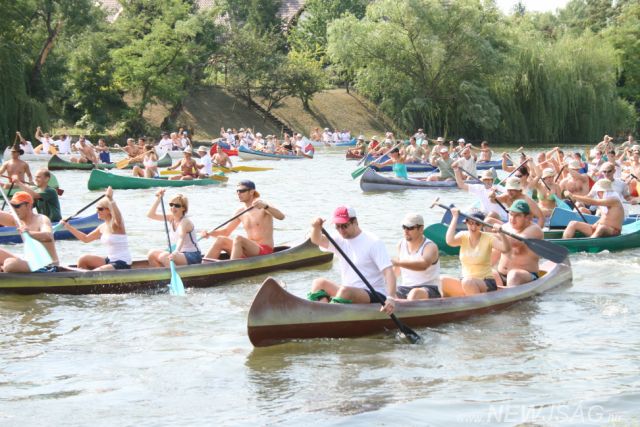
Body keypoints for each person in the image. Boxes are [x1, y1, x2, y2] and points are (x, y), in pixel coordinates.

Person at [306, 206, 396, 314]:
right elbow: (316, 240)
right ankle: (323, 314)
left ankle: (328, 314)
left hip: (375, 293)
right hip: (348, 291)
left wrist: (391, 298)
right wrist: (316, 227)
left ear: (355, 222)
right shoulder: (339, 240)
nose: (341, 230)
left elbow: (388, 271)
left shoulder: (373, 242)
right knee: (318, 283)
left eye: (344, 226)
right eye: (337, 226)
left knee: (345, 291)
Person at [201, 180, 284, 259]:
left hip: (264, 250)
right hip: (248, 250)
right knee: (221, 239)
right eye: (237, 191)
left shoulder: (264, 206)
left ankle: (232, 265)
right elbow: (226, 232)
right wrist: (209, 233)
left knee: (238, 238)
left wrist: (266, 206)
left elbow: (281, 217)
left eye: (242, 191)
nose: (238, 193)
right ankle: (204, 265)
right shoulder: (240, 211)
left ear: (251, 192)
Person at [440, 208, 510, 296]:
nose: (473, 227)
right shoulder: (462, 235)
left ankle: (475, 303)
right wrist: (455, 217)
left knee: (468, 282)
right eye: (471, 223)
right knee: (441, 280)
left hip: (485, 282)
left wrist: (502, 233)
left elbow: (505, 248)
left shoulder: (489, 238)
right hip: (465, 280)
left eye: (477, 224)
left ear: (482, 225)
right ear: (466, 222)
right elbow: (449, 241)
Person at [61, 187, 132, 270]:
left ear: (109, 210)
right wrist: (68, 227)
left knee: (97, 271)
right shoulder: (102, 227)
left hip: (122, 262)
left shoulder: (117, 225)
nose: (97, 211)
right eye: (97, 209)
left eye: (100, 209)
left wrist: (110, 199)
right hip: (109, 260)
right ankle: (83, 278)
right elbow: (86, 239)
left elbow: (118, 217)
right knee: (83, 259)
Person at [0, 192, 59, 273]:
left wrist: (30, 233)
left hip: (48, 266)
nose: (14, 209)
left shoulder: (41, 219)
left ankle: (3, 268)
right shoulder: (18, 221)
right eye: (12, 206)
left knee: (10, 264)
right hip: (31, 263)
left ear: (29, 205)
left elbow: (48, 236)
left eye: (17, 206)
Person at [392, 213, 441, 300]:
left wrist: (398, 263)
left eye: (410, 228)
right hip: (406, 287)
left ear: (421, 229)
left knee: (414, 294)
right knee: (388, 293)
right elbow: (396, 271)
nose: (406, 231)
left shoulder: (430, 247)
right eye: (404, 227)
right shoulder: (401, 244)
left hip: (429, 288)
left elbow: (423, 265)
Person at [147, 190, 202, 266]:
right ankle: (162, 273)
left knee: (164, 256)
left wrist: (176, 252)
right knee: (151, 253)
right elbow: (150, 215)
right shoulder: (171, 218)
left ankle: (177, 272)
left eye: (177, 205)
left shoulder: (185, 221)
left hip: (193, 255)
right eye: (171, 204)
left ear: (183, 208)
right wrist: (159, 199)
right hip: (180, 254)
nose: (173, 207)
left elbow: (181, 238)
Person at [495, 200, 543, 287]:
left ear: (527, 218)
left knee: (513, 275)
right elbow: (495, 252)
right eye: (511, 214)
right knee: (487, 273)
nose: (512, 219)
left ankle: (510, 294)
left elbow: (516, 242)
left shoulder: (535, 230)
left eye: (517, 215)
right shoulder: (505, 227)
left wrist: (499, 235)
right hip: (501, 274)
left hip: (524, 277)